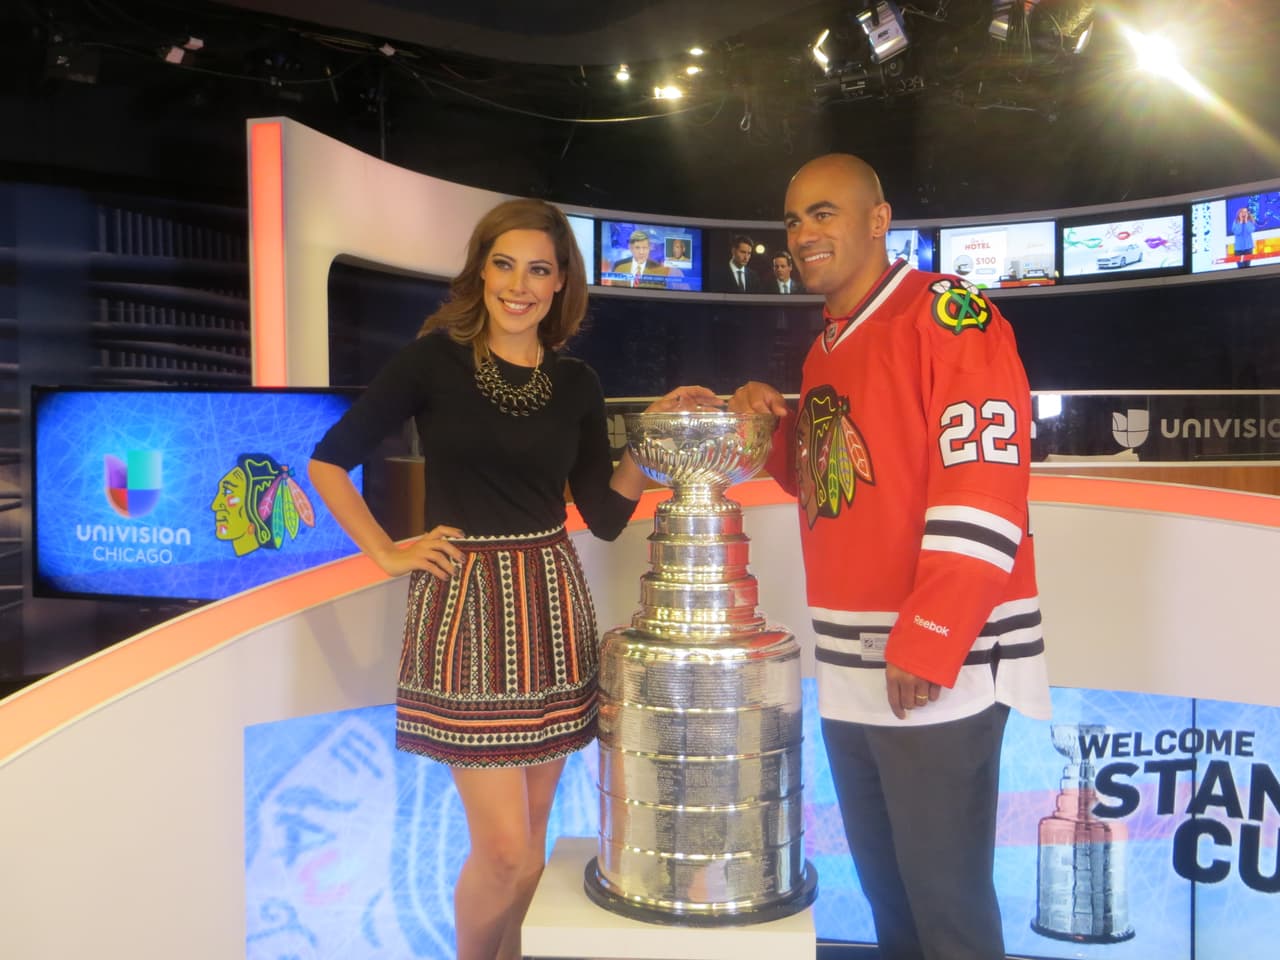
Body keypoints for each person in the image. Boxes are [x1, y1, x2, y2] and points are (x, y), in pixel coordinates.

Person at [308, 198, 717, 960]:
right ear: (480, 270)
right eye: (504, 264)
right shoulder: (433, 360)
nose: (519, 284)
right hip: (466, 609)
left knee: (530, 847)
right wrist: (388, 551)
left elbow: (601, 513)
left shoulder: (577, 382)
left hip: (551, 607)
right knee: (504, 853)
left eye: (538, 268)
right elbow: (329, 460)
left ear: (563, 282)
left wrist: (651, 437)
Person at [729, 154, 1050, 960]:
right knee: (891, 903)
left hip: (933, 661)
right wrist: (775, 432)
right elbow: (831, 490)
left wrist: (934, 630)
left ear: (880, 218)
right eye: (795, 220)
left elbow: (986, 482)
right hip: (849, 667)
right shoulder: (828, 344)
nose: (804, 233)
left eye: (825, 213)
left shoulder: (948, 313)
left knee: (948, 910)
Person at [608, 229, 675, 288]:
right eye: (638, 247)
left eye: (645, 247)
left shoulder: (667, 270)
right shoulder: (619, 266)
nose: (641, 252)